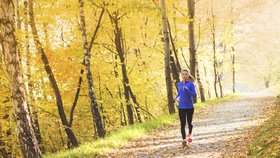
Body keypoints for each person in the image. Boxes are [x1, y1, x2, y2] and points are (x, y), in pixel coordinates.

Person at [174, 69, 197, 147]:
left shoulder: (191, 84)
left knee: (189, 123)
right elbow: (179, 94)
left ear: (188, 75)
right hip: (181, 107)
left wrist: (188, 91)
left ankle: (190, 135)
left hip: (190, 106)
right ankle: (184, 140)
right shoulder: (179, 84)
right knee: (182, 123)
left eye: (185, 74)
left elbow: (194, 94)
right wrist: (176, 98)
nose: (184, 75)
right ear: (181, 75)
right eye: (183, 74)